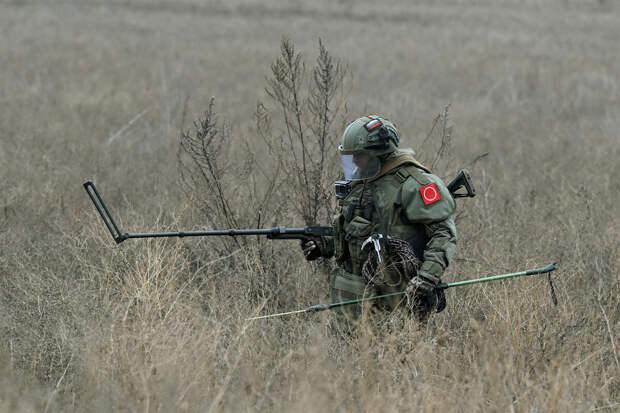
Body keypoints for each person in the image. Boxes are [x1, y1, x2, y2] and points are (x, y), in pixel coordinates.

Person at [300, 116, 457, 328]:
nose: (355, 162)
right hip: (350, 299)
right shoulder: (362, 181)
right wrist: (324, 244)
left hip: (395, 297)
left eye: (360, 156)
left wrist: (427, 276)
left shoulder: (414, 184)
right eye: (352, 157)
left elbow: (443, 234)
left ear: (381, 154)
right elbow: (354, 233)